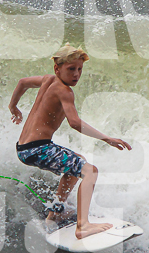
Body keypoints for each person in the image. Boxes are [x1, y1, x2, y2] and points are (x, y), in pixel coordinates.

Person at [9, 44, 132, 239]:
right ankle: (83, 226)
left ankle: (54, 214)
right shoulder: (64, 91)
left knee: (76, 164)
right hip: (38, 149)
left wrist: (13, 106)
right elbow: (74, 123)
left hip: (24, 148)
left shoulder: (47, 80)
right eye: (71, 69)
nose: (76, 74)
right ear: (57, 69)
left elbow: (23, 82)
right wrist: (106, 138)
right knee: (90, 171)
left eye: (80, 69)